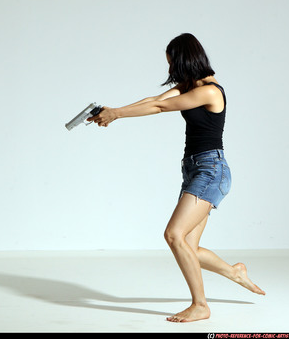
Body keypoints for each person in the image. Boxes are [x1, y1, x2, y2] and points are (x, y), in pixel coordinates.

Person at [88, 33, 265, 323]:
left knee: (173, 235)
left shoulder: (210, 91)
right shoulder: (188, 86)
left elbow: (161, 107)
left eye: (173, 64)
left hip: (211, 170)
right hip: (195, 169)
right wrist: (112, 112)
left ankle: (200, 306)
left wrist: (117, 114)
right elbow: (155, 100)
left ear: (184, 61)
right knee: (189, 247)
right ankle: (234, 272)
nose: (171, 71)